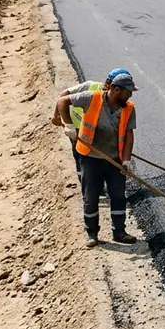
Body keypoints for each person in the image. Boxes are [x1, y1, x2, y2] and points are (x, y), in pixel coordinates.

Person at [56, 73, 139, 247]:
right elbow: (62, 101)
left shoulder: (129, 108)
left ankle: (119, 232)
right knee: (91, 197)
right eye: (128, 92)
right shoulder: (91, 98)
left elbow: (129, 136)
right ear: (116, 90)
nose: (130, 95)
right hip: (90, 158)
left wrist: (126, 160)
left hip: (115, 159)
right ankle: (92, 234)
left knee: (118, 196)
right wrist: (68, 125)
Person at [52, 68, 132, 186]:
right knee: (80, 155)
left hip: (96, 130)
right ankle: (85, 182)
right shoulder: (90, 87)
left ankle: (98, 182)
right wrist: (59, 118)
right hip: (77, 128)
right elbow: (63, 97)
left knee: (99, 155)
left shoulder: (116, 99)